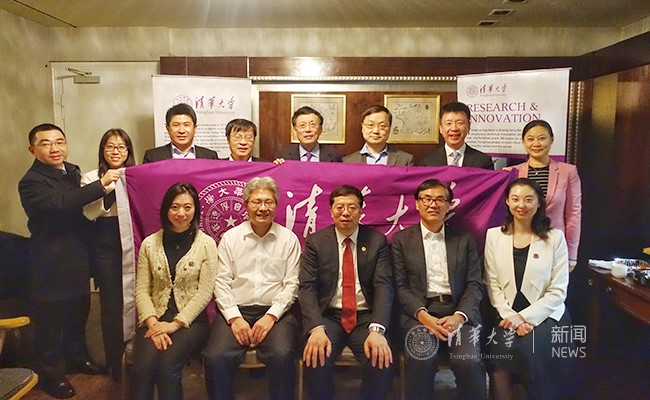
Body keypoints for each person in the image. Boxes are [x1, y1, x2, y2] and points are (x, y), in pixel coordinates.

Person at [18, 123, 120, 399]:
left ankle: (78, 359)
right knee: (50, 322)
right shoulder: (31, 182)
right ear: (32, 150)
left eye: (59, 142)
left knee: (78, 312)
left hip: (77, 255)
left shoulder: (73, 171)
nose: (55, 148)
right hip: (49, 259)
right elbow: (62, 202)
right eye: (46, 143)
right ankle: (51, 376)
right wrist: (102, 184)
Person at [203, 176, 300, 400]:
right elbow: (221, 282)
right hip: (236, 310)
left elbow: (292, 284)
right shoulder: (230, 238)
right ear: (246, 205)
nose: (263, 208)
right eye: (256, 202)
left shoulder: (288, 239)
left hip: (276, 313)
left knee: (282, 354)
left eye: (268, 202)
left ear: (276, 205)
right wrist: (234, 318)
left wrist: (271, 316)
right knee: (215, 356)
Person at [392, 179, 486, 400]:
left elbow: (474, 284)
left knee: (468, 361)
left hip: (459, 313)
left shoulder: (464, 239)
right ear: (417, 204)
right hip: (419, 314)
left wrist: (459, 317)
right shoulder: (402, 240)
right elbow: (400, 287)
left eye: (439, 200)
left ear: (449, 205)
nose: (433, 204)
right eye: (426, 199)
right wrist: (424, 317)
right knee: (422, 357)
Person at [299, 185, 394, 400]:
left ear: (361, 211)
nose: (345, 213)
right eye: (340, 207)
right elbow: (307, 287)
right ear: (331, 210)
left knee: (380, 359)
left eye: (352, 207)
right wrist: (316, 328)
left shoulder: (376, 241)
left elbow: (384, 286)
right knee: (316, 357)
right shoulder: (316, 242)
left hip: (365, 316)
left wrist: (377, 329)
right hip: (329, 316)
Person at [484, 178, 571, 400]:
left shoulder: (555, 238)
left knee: (532, 351)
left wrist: (524, 317)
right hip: (507, 314)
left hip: (546, 314)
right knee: (500, 354)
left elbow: (558, 290)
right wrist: (511, 317)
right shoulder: (494, 236)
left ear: (539, 203)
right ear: (507, 202)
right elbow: (492, 283)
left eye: (528, 199)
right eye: (515, 199)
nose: (521, 205)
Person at [130, 182, 217, 400]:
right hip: (155, 318)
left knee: (167, 367)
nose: (181, 213)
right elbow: (142, 290)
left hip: (191, 322)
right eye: (175, 207)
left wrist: (174, 324)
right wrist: (153, 323)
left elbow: (205, 292)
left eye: (187, 207)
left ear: (195, 210)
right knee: (142, 368)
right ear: (166, 209)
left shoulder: (206, 244)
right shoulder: (150, 244)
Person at [80, 128, 136, 381]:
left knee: (136, 300)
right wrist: (108, 185)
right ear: (102, 150)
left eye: (121, 147)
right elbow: (89, 213)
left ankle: (135, 357)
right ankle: (114, 361)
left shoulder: (136, 174)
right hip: (105, 242)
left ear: (128, 151)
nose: (116, 151)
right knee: (111, 304)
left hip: (133, 239)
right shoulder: (91, 177)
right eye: (110, 146)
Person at [505, 120, 581, 270]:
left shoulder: (568, 172)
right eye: (530, 139)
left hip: (553, 243)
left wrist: (572, 254)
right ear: (523, 142)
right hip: (519, 243)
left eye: (541, 138)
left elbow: (574, 214)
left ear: (551, 139)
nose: (536, 144)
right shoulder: (511, 173)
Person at [419, 101, 493, 169]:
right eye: (448, 123)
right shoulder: (427, 162)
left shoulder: (483, 161)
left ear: (468, 126)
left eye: (459, 123)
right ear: (441, 128)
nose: (454, 128)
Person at [142, 103, 218, 163]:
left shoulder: (210, 157)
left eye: (186, 125)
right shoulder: (152, 157)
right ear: (167, 128)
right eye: (176, 125)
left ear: (195, 128)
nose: (181, 131)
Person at [343, 105, 413, 166]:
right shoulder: (347, 161)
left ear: (389, 128)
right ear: (362, 127)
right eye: (370, 125)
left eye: (382, 126)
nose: (376, 131)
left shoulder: (405, 160)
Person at [272, 106, 343, 163]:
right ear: (295, 131)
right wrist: (277, 168)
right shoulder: (283, 156)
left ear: (320, 129)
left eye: (313, 125)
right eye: (302, 125)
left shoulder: (335, 156)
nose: (308, 130)